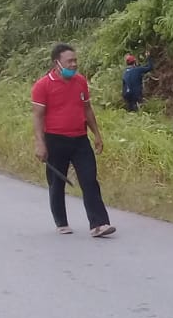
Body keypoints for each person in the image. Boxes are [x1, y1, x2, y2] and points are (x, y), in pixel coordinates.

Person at [31, 44, 115, 237]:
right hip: (55, 139)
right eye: (69, 61)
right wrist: (40, 143)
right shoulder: (43, 85)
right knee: (56, 182)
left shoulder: (80, 82)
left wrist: (97, 135)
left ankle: (99, 224)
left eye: (75, 60)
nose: (74, 64)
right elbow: (37, 116)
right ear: (57, 63)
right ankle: (61, 221)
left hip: (80, 138)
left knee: (89, 179)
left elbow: (87, 109)